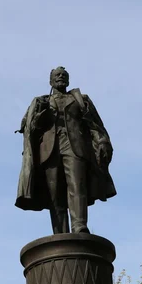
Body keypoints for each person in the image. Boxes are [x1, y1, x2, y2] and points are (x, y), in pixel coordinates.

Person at [15, 66, 116, 234]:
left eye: (64, 75)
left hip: (75, 148)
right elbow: (30, 128)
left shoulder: (80, 100)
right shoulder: (42, 101)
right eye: (57, 75)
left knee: (77, 186)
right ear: (51, 81)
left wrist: (103, 140)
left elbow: (95, 125)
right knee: (55, 194)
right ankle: (60, 233)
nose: (61, 77)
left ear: (68, 80)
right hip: (49, 151)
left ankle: (79, 226)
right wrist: (39, 116)